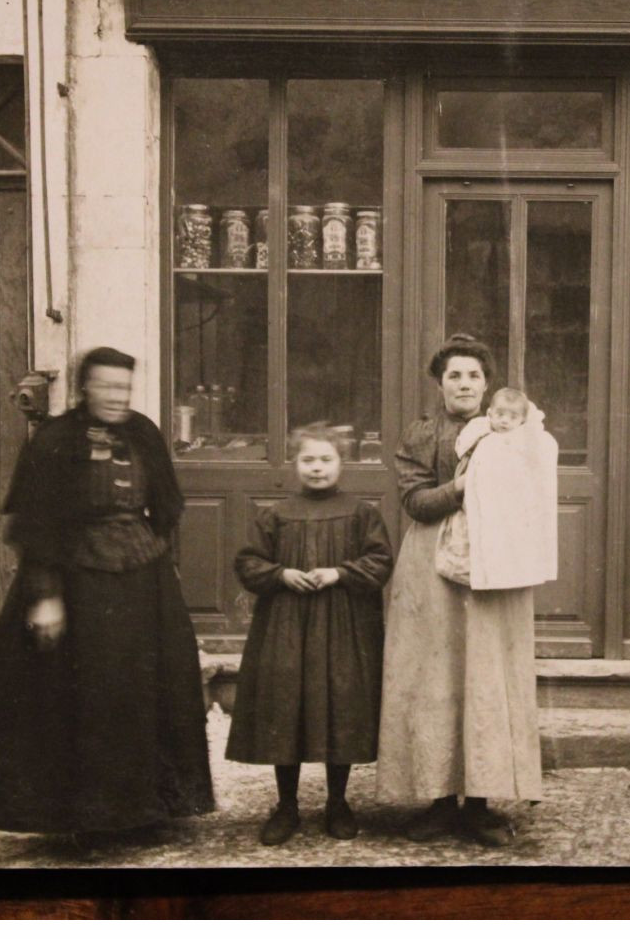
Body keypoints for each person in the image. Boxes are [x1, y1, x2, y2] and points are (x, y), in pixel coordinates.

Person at [0, 347, 214, 837]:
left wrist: (152, 551)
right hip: (74, 584)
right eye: (107, 387)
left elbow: (168, 505)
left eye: (124, 388)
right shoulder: (55, 439)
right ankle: (81, 816)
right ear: (85, 387)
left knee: (144, 694)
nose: (117, 396)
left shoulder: (144, 433)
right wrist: (44, 597)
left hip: (141, 586)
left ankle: (144, 811)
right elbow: (34, 524)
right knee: (82, 698)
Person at [376, 334, 543, 847]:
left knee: (487, 675)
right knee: (435, 677)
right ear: (441, 384)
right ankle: (439, 801)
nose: (465, 384)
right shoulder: (422, 434)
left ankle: (481, 804)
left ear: (487, 383)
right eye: (454, 376)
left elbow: (535, 487)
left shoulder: (514, 429)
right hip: (431, 568)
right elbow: (416, 502)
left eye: (473, 375)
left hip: (496, 561)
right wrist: (462, 488)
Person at [226, 423, 394, 846]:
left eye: (325, 459)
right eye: (308, 460)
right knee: (287, 708)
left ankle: (338, 802)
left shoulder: (361, 513)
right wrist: (280, 574)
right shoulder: (275, 515)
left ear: (342, 463)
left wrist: (339, 572)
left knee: (340, 706)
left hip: (343, 628)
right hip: (286, 627)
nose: (317, 468)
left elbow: (380, 562)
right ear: (294, 464)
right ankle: (287, 806)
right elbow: (248, 563)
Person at [447, 387, 558, 592]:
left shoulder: (524, 439)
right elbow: (462, 449)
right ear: (490, 414)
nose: (505, 421)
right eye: (500, 415)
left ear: (522, 421)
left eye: (512, 417)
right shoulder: (481, 432)